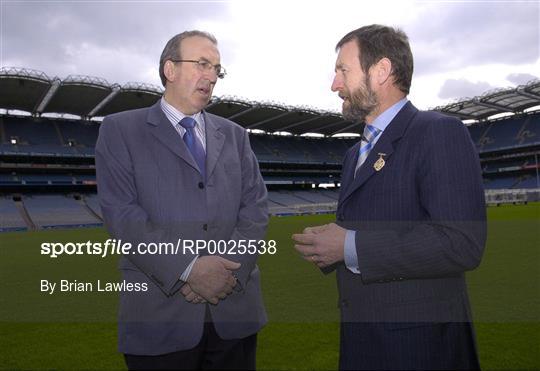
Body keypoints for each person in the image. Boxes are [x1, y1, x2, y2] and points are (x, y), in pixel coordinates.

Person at [293, 25, 486, 370]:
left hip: (420, 349)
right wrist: (330, 247)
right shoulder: (355, 153)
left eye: (342, 71)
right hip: (362, 340)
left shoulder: (439, 133)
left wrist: (349, 246)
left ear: (381, 71)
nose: (334, 84)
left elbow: (461, 242)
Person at [95, 30, 268, 370]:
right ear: (169, 70)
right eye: (202, 64)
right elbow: (123, 216)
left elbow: (256, 209)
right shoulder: (120, 130)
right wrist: (188, 269)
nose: (211, 76)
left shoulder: (235, 135)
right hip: (159, 319)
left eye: (217, 68)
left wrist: (224, 274)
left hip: (234, 314)